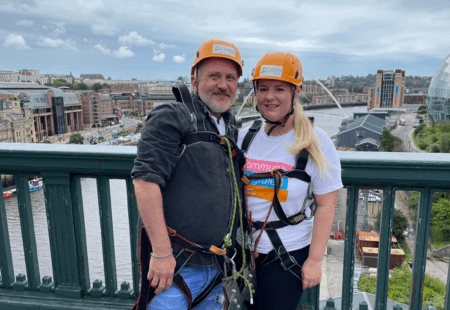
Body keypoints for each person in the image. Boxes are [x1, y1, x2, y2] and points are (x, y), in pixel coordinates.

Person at [131, 39, 246, 310]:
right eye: (214, 76)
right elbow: (145, 182)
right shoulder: (172, 116)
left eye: (231, 77)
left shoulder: (229, 125)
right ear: (194, 81)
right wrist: (160, 253)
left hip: (219, 268)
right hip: (176, 268)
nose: (223, 84)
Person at [238, 52, 343, 309]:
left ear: (296, 92)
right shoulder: (244, 138)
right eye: (262, 89)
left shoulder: (314, 143)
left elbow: (327, 205)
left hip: (287, 256)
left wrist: (315, 261)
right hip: (243, 253)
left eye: (279, 89)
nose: (269, 96)